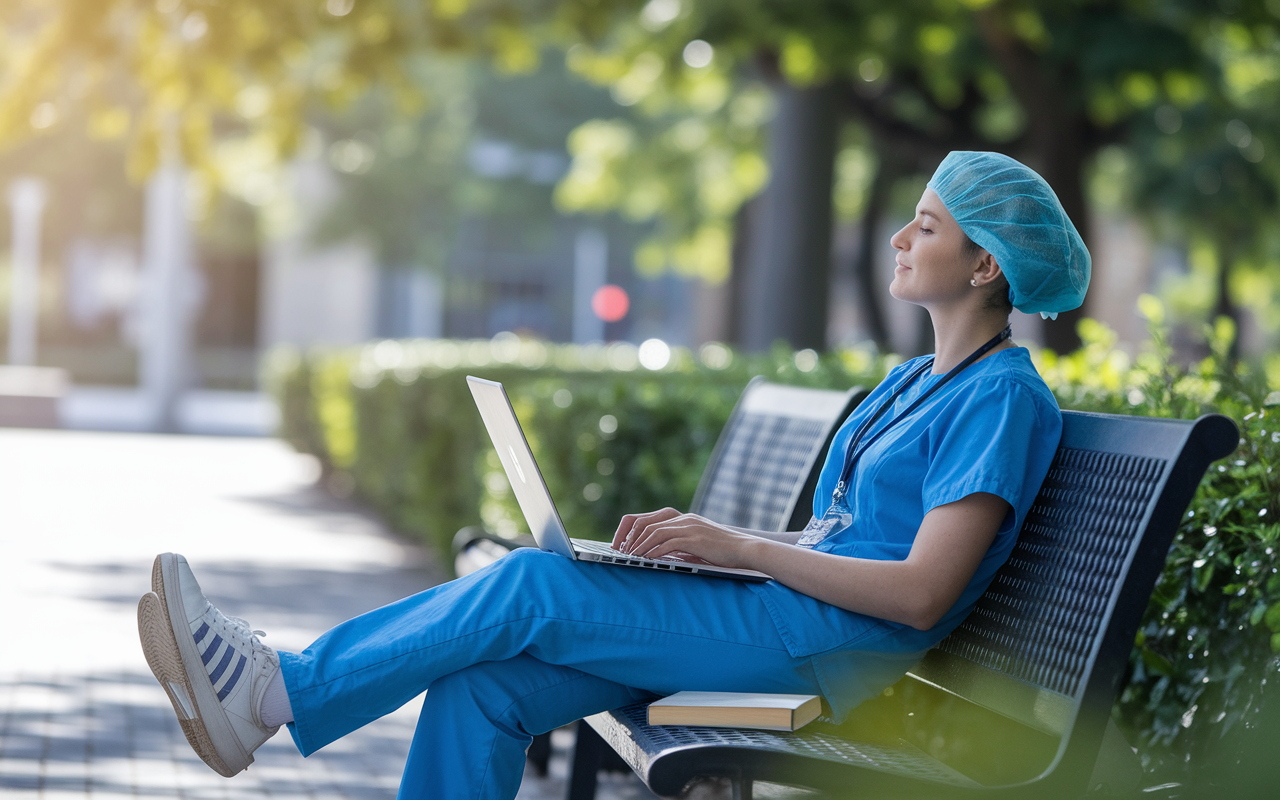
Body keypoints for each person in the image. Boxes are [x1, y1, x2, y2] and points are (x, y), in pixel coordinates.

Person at [136, 150, 1090, 799]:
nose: (899, 239)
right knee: (485, 690)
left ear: (983, 268)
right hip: (775, 615)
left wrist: (742, 546)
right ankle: (276, 692)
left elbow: (921, 593)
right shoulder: (914, 380)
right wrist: (708, 555)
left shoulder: (1002, 399)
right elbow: (849, 537)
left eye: (926, 227)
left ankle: (279, 693)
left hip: (811, 651)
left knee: (532, 581)